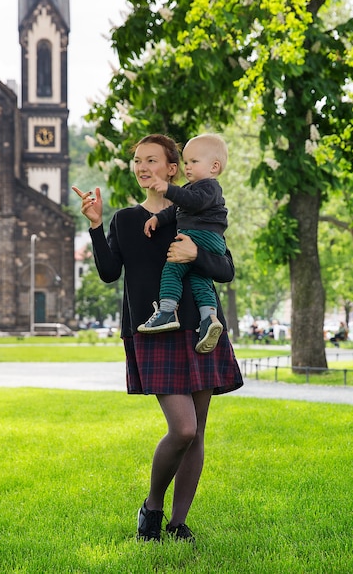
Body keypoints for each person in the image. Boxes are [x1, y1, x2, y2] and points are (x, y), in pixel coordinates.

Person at [72, 133, 243, 544]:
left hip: (202, 329)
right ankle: (151, 506)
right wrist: (96, 225)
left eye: (151, 160)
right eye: (137, 161)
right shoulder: (127, 220)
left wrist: (194, 256)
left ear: (173, 169)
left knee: (198, 432)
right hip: (153, 331)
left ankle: (177, 523)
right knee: (182, 429)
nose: (142, 168)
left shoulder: (198, 212)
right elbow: (110, 271)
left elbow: (225, 269)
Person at [137, 133, 228, 354]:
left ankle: (167, 311)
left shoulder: (208, 187)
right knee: (200, 281)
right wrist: (158, 218)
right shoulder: (192, 187)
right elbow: (177, 210)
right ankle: (209, 319)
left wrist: (169, 189)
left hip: (201, 236)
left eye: (194, 162)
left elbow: (191, 203)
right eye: (186, 162)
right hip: (208, 239)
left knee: (172, 270)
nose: (187, 167)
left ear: (214, 167)